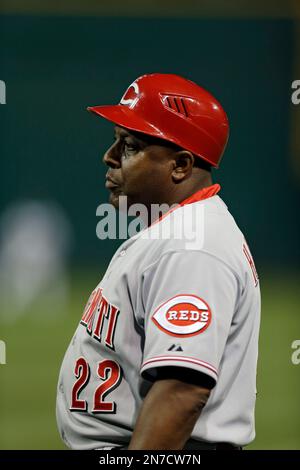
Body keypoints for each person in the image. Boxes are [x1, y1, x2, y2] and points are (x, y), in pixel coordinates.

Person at [56, 73, 261, 450]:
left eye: (130, 145)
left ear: (180, 165)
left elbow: (182, 391)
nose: (110, 156)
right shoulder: (177, 231)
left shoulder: (193, 246)